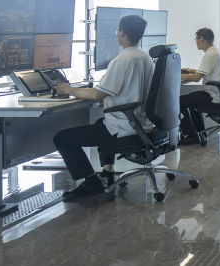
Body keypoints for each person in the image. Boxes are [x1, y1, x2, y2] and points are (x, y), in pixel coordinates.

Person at [52, 14, 154, 201]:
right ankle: (108, 171)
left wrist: (68, 89)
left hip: (124, 127)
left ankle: (91, 182)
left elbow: (97, 94)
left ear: (121, 33)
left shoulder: (122, 60)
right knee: (101, 121)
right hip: (141, 123)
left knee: (62, 139)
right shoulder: (145, 57)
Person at [179, 27, 220, 143]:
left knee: (178, 102)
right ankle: (200, 132)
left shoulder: (209, 55)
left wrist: (177, 74)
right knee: (191, 100)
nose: (196, 42)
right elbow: (203, 72)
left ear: (201, 39)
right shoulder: (215, 52)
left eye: (196, 39)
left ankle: (192, 136)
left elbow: (197, 78)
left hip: (213, 95)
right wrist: (189, 70)